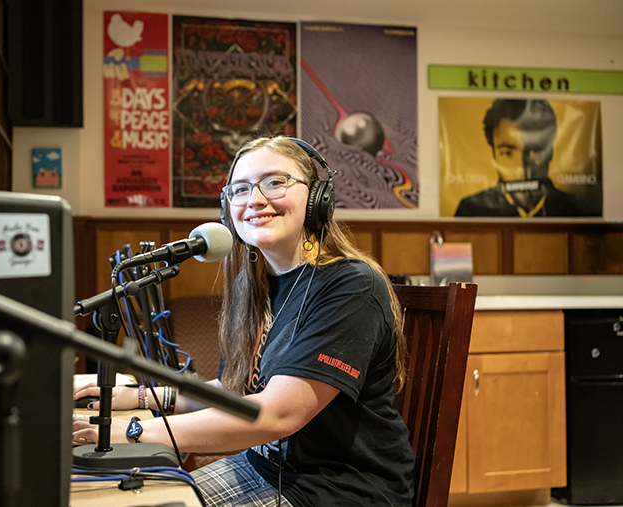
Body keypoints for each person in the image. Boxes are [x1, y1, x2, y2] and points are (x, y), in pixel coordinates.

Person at [73, 135, 415, 506]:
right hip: (265, 469)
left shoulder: (350, 286)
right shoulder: (254, 285)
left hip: (338, 489)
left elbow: (277, 415)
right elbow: (235, 390)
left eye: (275, 182)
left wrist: (137, 430)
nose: (254, 199)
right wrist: (142, 397)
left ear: (317, 199)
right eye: (240, 189)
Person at [455, 98, 586, 217]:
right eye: (508, 153)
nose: (521, 169)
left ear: (550, 151)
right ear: (494, 155)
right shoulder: (470, 210)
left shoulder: (576, 210)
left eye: (534, 150)